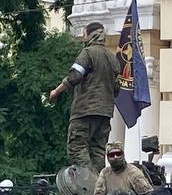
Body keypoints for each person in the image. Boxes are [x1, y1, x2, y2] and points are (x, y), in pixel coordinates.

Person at [47, 21, 119, 173]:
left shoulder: (87, 53)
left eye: (84, 34)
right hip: (105, 113)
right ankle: (98, 187)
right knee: (98, 151)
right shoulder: (113, 58)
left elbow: (75, 76)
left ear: (89, 35)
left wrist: (56, 91)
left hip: (84, 110)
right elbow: (116, 89)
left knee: (77, 147)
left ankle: (86, 182)